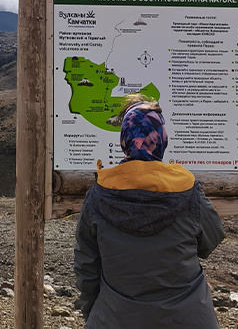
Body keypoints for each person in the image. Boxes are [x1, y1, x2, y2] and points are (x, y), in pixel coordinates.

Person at [73, 97, 225, 328]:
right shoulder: (188, 189)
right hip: (189, 319)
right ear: (162, 139)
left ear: (125, 139)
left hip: (115, 318)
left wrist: (95, 314)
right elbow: (210, 241)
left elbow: (87, 269)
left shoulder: (99, 194)